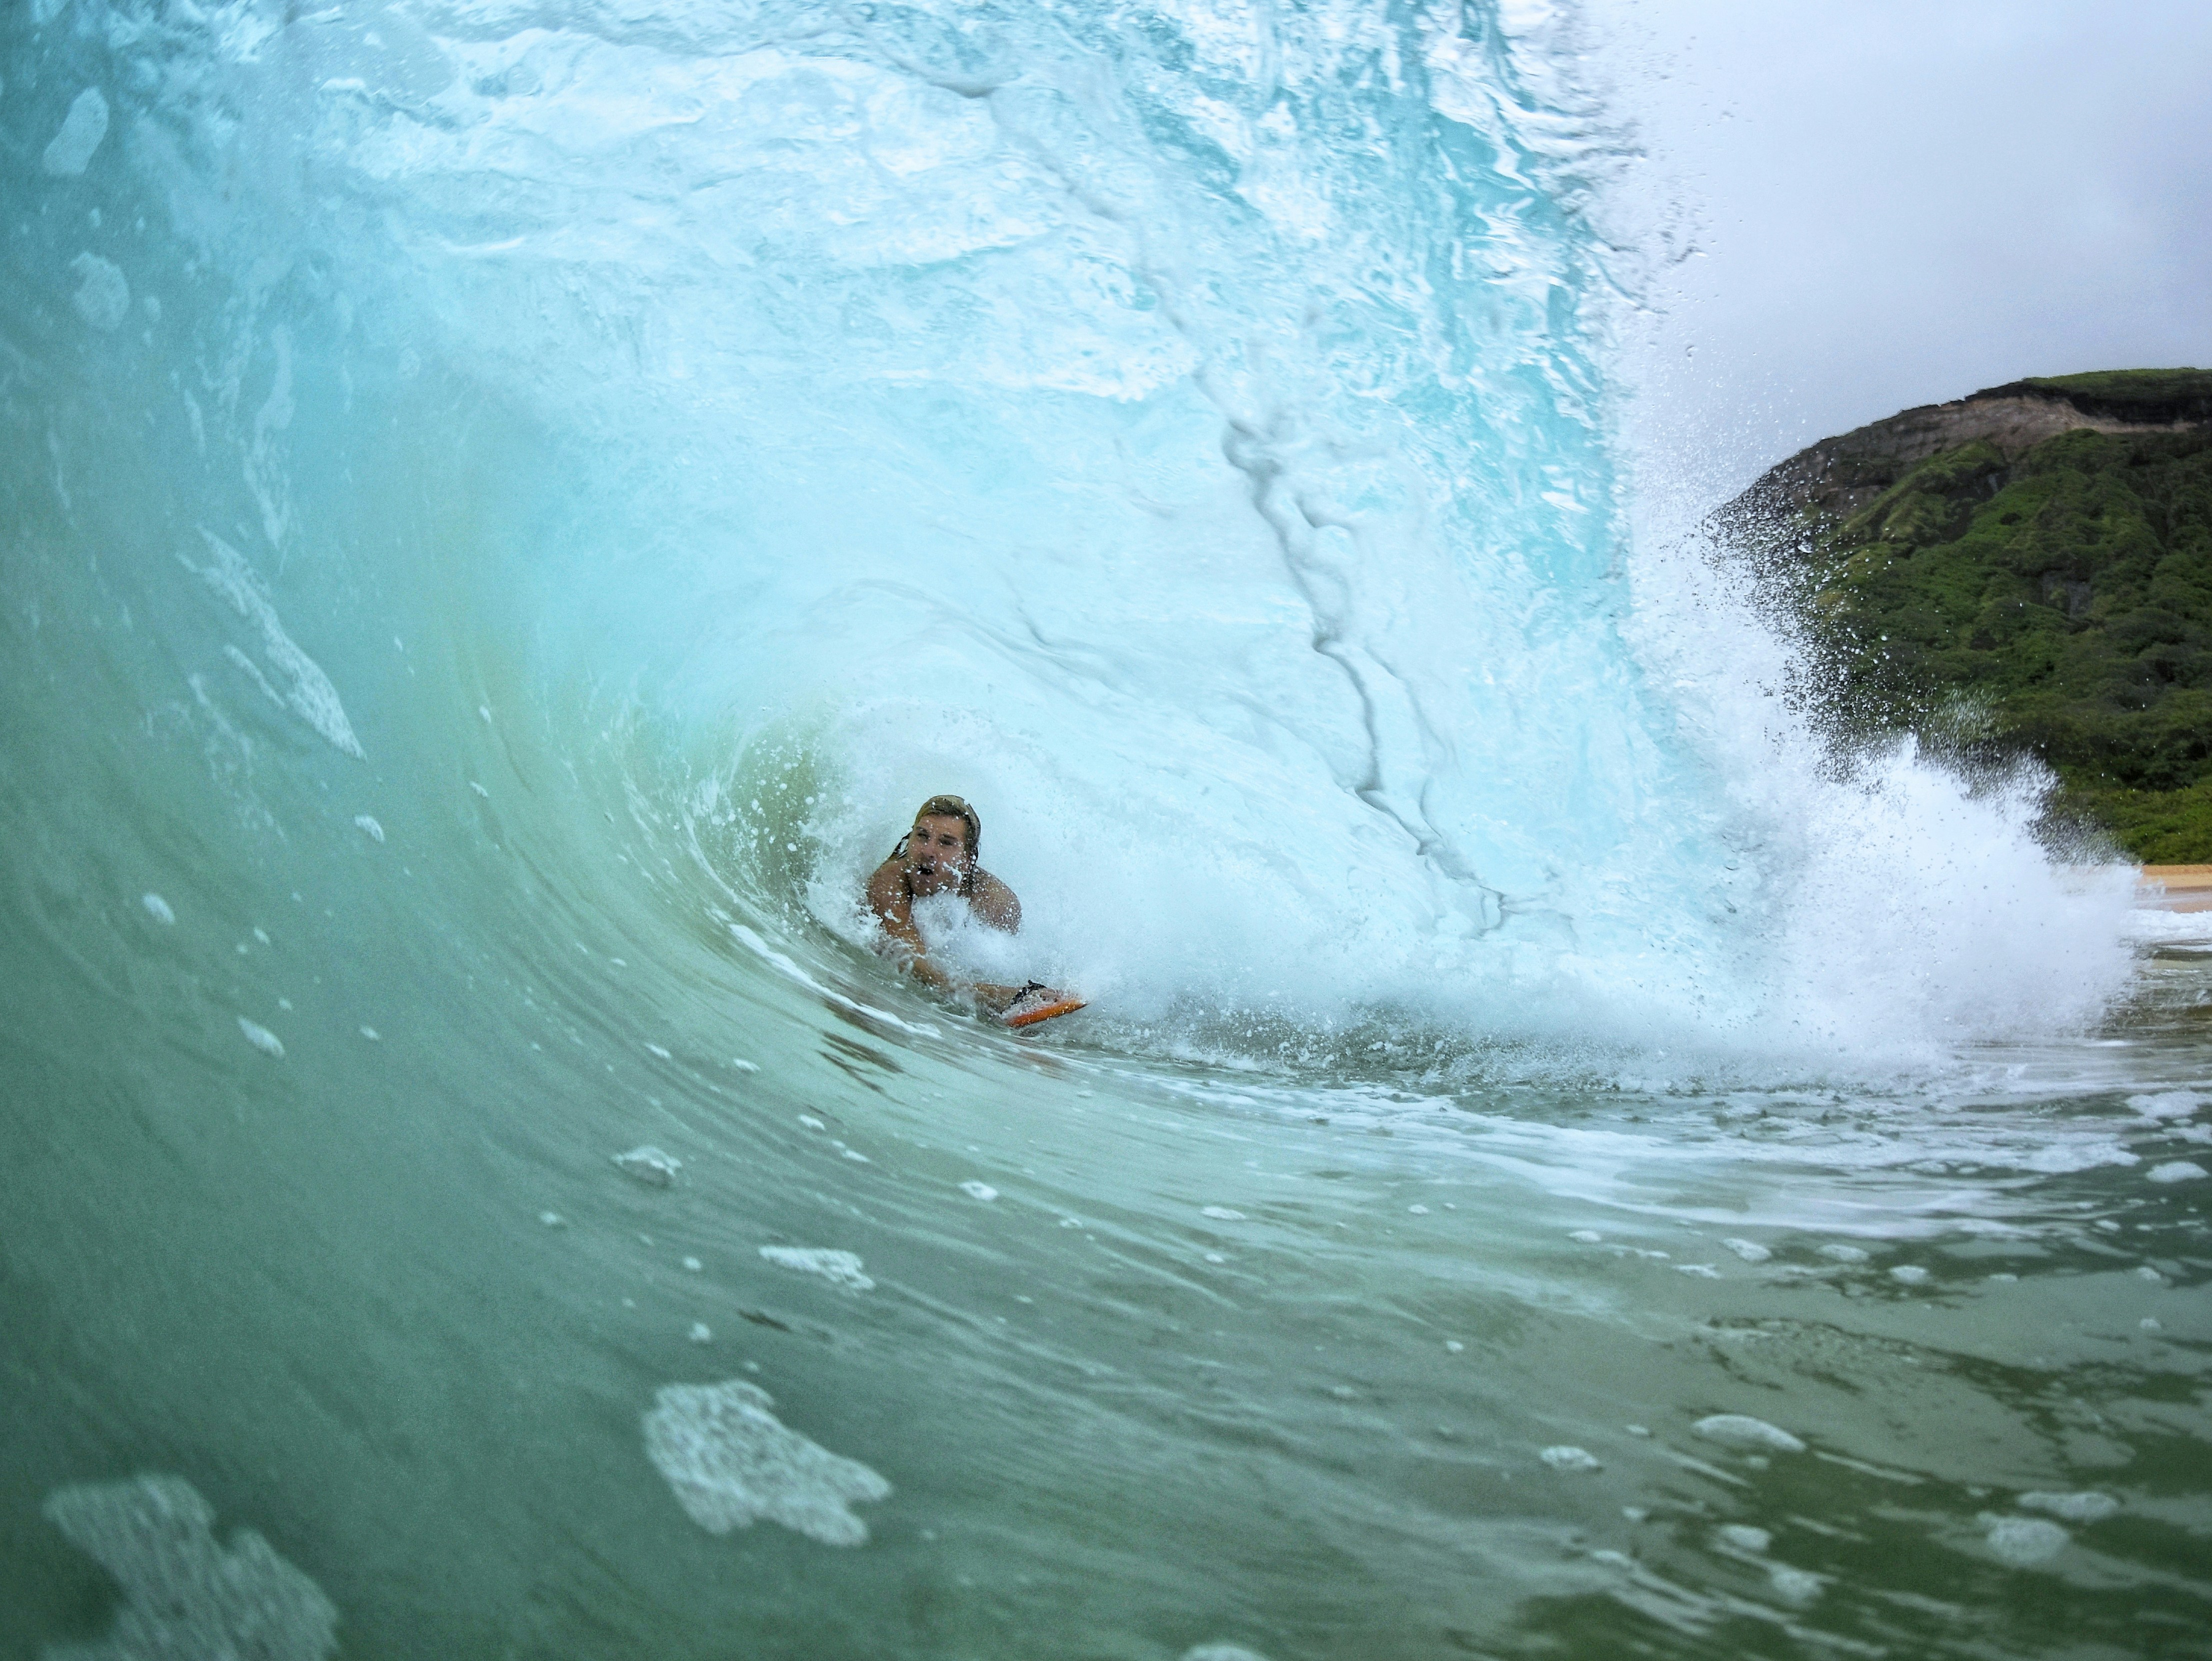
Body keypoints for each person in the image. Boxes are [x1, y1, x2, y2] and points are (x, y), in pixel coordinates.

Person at [865, 795, 1074, 1022]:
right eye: (922, 836)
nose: (928, 851)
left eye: (946, 843)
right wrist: (1005, 997)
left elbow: (1007, 966)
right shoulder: (889, 881)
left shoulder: (997, 903)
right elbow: (913, 964)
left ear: (967, 859)